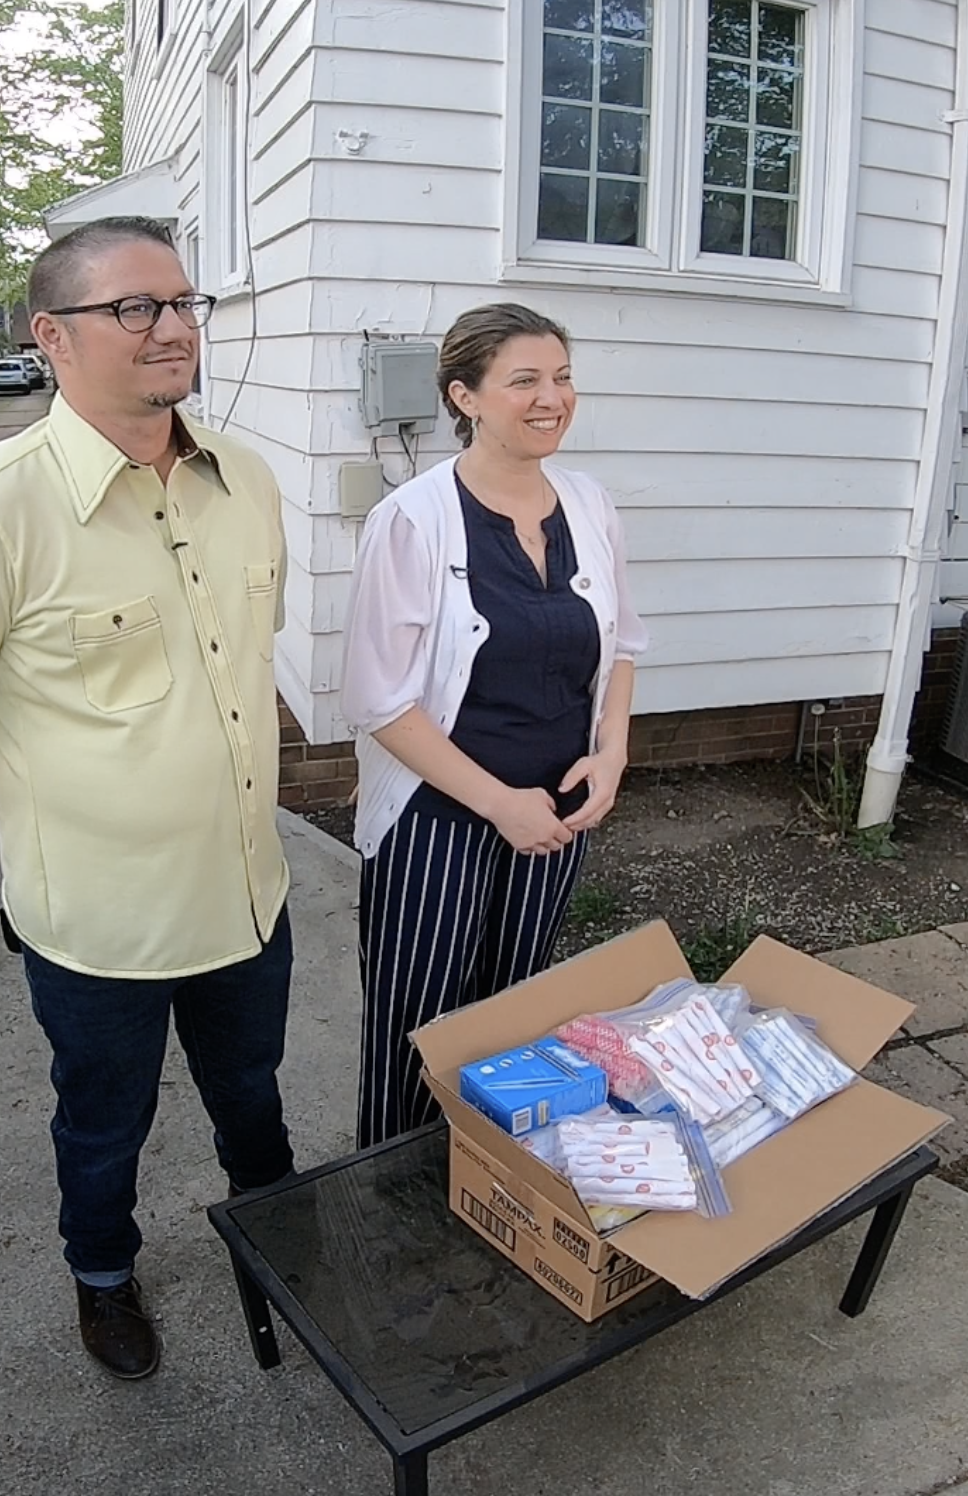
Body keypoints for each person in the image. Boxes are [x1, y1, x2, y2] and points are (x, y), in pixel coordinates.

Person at [0, 216, 293, 1381]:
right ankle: (102, 1275)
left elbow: (242, 660)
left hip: (250, 891)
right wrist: (40, 757)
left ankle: (281, 1235)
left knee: (251, 1093)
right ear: (51, 335)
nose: (173, 327)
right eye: (135, 308)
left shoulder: (244, 480)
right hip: (100, 920)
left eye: (183, 302)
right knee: (104, 1121)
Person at [341, 303, 648, 1149]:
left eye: (562, 377)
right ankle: (391, 1187)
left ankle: (486, 1179)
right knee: (421, 1024)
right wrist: (498, 804)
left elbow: (623, 643)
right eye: (524, 381)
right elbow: (379, 704)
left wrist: (612, 754)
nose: (551, 398)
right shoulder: (413, 520)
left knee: (515, 1013)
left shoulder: (589, 506)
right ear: (465, 397)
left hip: (556, 814)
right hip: (439, 820)